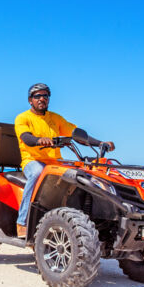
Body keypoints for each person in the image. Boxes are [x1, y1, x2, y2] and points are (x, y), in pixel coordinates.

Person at [13, 83, 115, 237]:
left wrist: (101, 143)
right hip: (33, 160)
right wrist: (40, 140)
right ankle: (22, 221)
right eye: (37, 96)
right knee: (37, 173)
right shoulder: (23, 118)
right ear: (30, 100)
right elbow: (26, 138)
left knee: (82, 173)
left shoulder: (55, 118)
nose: (42, 99)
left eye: (45, 96)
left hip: (55, 162)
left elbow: (77, 135)